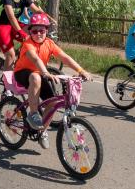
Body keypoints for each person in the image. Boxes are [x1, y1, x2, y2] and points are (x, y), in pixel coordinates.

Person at [14, 13, 90, 148]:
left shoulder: (49, 43)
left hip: (39, 73)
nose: (38, 34)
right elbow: (36, 59)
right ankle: (33, 113)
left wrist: (81, 70)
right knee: (35, 77)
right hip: (22, 73)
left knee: (53, 102)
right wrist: (45, 72)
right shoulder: (27, 43)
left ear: (46, 31)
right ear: (30, 31)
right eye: (35, 31)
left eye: (42, 30)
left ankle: (42, 132)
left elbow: (64, 57)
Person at [0, 0, 48, 71]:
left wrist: (44, 16)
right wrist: (20, 31)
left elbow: (35, 10)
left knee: (33, 34)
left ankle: (24, 61)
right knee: (10, 54)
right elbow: (11, 17)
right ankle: (7, 82)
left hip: (13, 24)